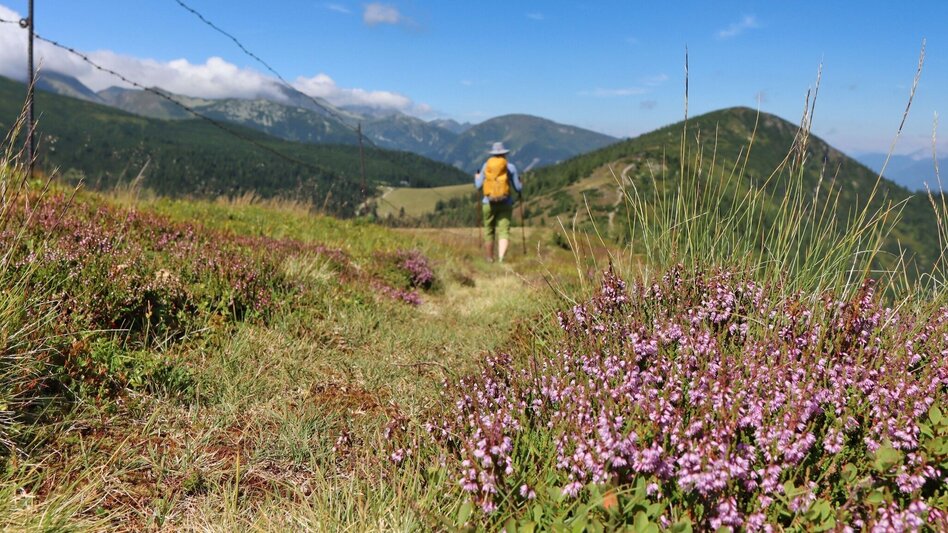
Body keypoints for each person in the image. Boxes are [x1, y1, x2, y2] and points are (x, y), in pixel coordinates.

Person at [475, 142, 522, 263]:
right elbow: (518, 188)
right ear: (504, 154)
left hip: (488, 203)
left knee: (489, 230)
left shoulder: (486, 166)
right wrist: (520, 183)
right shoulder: (510, 167)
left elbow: (478, 185)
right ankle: (501, 259)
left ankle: (490, 258)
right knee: (503, 231)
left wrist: (477, 177)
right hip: (505, 203)